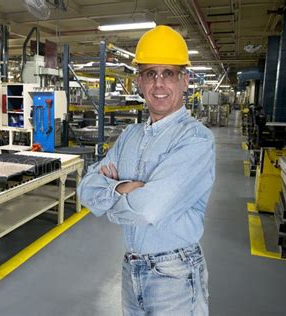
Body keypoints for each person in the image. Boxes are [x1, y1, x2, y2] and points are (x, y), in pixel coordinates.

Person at [77, 25, 215, 316]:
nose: (159, 84)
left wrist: (110, 197)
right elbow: (86, 188)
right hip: (131, 268)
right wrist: (125, 188)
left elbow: (148, 209)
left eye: (169, 73)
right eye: (150, 73)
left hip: (174, 275)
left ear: (184, 80)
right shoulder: (130, 136)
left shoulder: (196, 139)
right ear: (139, 82)